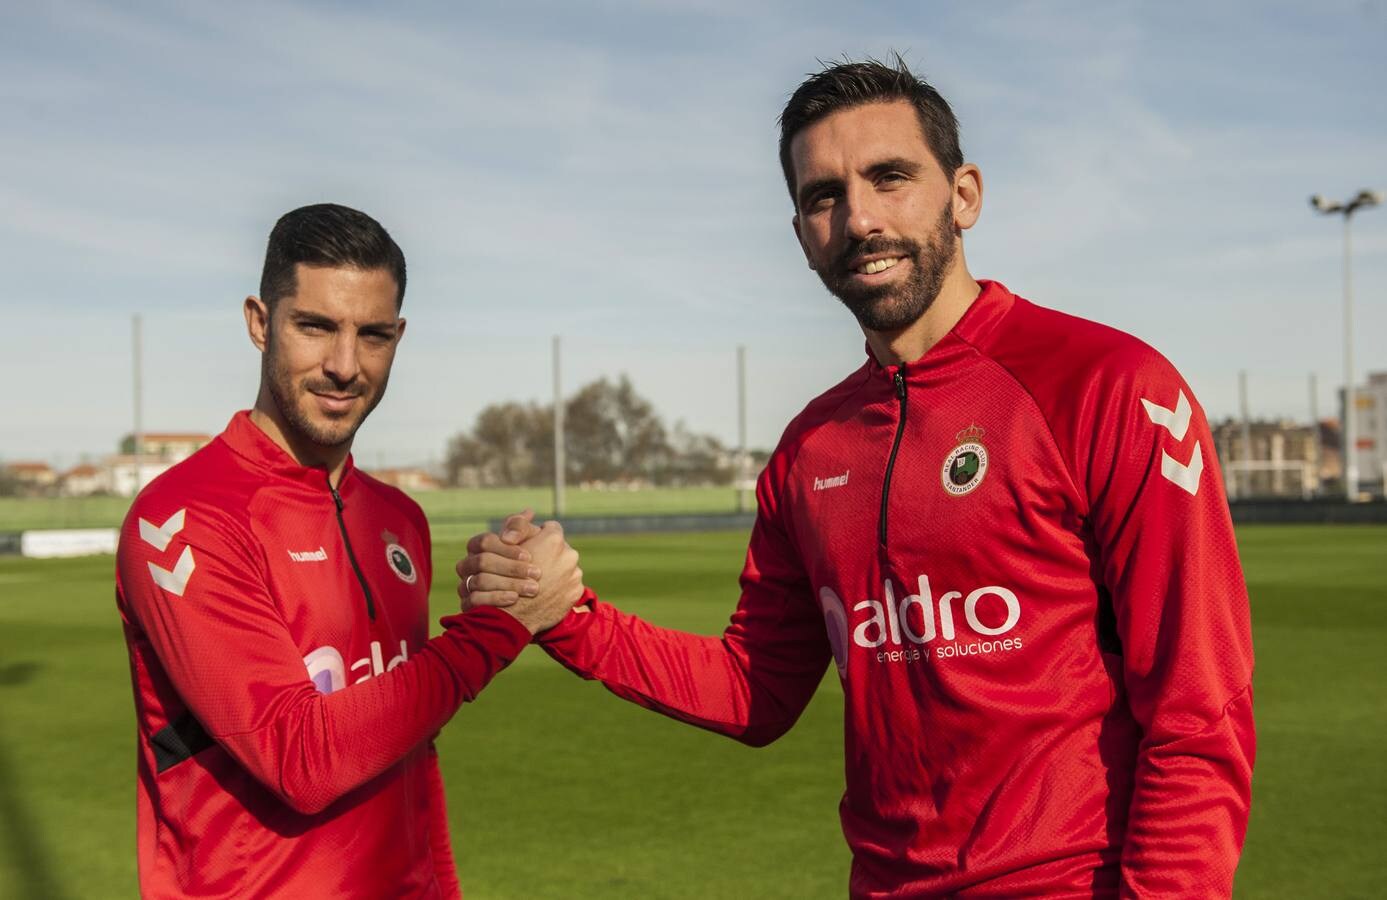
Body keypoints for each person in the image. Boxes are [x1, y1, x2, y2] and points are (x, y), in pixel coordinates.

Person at [462, 59, 1255, 897]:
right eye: (823, 195)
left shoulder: (1106, 386)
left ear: (964, 195)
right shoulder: (810, 449)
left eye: (889, 178)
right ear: (801, 232)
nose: (859, 218)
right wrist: (569, 620)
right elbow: (755, 689)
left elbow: (1198, 713)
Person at [115, 203, 582, 899]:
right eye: (315, 326)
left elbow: (411, 759)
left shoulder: (400, 519)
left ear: (398, 337)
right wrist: (502, 624)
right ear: (258, 322)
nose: (343, 365)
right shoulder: (182, 521)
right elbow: (299, 759)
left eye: (372, 335)